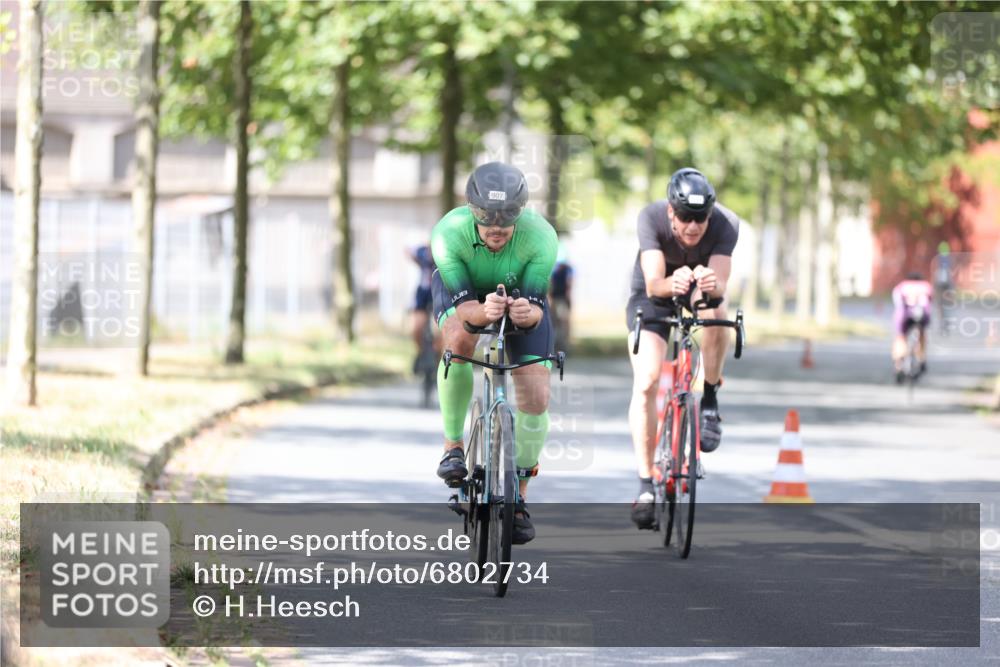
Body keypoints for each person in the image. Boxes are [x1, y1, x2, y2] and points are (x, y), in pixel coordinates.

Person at [430, 162, 559, 545]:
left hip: (519, 301)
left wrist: (526, 311)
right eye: (486, 218)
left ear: (521, 213)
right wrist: (483, 312)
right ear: (472, 209)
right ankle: (453, 446)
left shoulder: (541, 237)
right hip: (467, 295)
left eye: (506, 218)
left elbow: (536, 309)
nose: (496, 227)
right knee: (458, 340)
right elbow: (466, 310)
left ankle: (518, 493)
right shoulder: (448, 233)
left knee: (536, 395)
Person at [626, 167, 743, 529]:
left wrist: (710, 284)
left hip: (698, 293)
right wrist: (673, 281)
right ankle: (646, 484)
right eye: (686, 219)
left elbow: (720, 285)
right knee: (646, 380)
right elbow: (654, 282)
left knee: (717, 311)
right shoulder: (650, 218)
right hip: (655, 295)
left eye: (701, 219)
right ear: (671, 213)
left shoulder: (726, 223)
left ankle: (708, 399)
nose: (694, 227)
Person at [892, 271, 933, 382]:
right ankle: (921, 359)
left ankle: (898, 364)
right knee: (922, 334)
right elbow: (930, 301)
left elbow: (897, 303)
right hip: (922, 315)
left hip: (904, 315)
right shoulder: (926, 286)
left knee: (900, 337)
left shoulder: (902, 286)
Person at [408, 244, 437, 353]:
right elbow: (409, 250)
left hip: (437, 291)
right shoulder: (422, 251)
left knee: (438, 331)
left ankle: (436, 355)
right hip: (423, 292)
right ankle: (421, 353)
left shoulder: (444, 254)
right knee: (417, 327)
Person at [549, 246, 574, 353]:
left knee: (563, 322)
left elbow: (570, 284)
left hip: (562, 299)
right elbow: (550, 285)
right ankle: (555, 346)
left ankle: (563, 347)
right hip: (555, 299)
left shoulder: (567, 269)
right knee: (555, 322)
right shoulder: (554, 268)